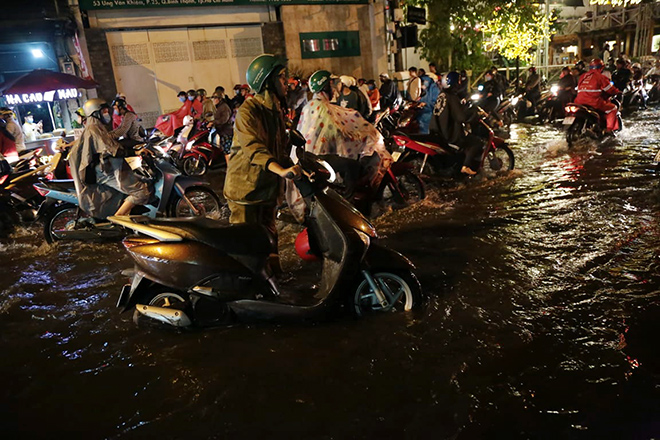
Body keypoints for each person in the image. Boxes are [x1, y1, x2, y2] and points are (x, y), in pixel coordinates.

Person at [223, 54, 302, 273]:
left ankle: (274, 282)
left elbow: (281, 147)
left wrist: (298, 166)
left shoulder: (276, 110)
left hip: (267, 189)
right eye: (282, 77)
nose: (287, 82)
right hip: (246, 191)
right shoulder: (248, 111)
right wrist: (282, 170)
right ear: (267, 82)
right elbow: (254, 149)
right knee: (245, 246)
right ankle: (244, 295)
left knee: (270, 237)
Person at [295, 69, 392, 202]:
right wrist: (358, 136)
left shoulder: (311, 105)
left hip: (310, 155)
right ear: (326, 87)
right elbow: (337, 131)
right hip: (318, 157)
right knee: (352, 166)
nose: (334, 88)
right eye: (331, 84)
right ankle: (349, 202)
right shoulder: (323, 109)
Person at [68, 98, 151, 219]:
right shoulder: (94, 129)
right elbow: (114, 150)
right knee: (141, 191)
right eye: (104, 111)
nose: (107, 114)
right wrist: (135, 151)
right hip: (104, 171)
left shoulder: (97, 127)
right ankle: (118, 219)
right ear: (95, 113)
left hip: (105, 167)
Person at [430, 71, 484, 176]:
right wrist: (475, 115)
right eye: (458, 81)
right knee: (476, 142)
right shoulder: (451, 97)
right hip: (449, 134)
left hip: (437, 131)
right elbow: (461, 117)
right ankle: (466, 166)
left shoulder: (442, 95)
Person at [574, 58, 620, 134]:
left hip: (579, 102)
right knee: (613, 108)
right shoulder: (600, 77)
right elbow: (610, 89)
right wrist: (617, 92)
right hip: (594, 102)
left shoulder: (583, 76)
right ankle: (609, 130)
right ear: (601, 68)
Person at [209, 89, 233, 159]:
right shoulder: (217, 107)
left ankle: (229, 167)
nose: (213, 100)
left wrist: (213, 122)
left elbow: (224, 119)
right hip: (221, 131)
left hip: (226, 132)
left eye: (215, 98)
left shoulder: (224, 107)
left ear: (219, 99)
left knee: (227, 151)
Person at [417, 69, 440, 134]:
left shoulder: (433, 89)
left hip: (428, 114)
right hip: (421, 114)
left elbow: (436, 103)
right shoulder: (423, 89)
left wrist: (425, 104)